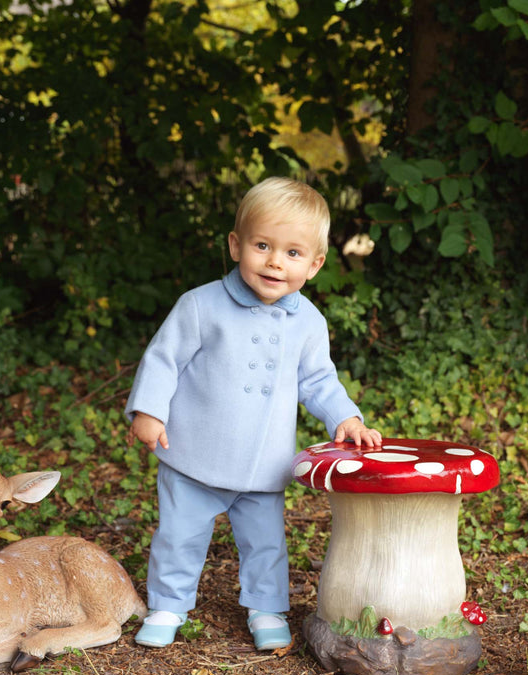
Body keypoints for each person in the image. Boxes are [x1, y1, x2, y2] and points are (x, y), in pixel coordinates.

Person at [124, 177, 381, 650]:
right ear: (236, 244)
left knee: (265, 545)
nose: (275, 262)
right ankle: (168, 603)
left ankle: (266, 607)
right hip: (193, 456)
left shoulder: (308, 322)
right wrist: (149, 410)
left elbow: (319, 380)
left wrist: (345, 418)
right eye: (262, 246)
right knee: (179, 536)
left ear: (316, 263)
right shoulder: (201, 305)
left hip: (263, 464)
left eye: (292, 253)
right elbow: (165, 358)